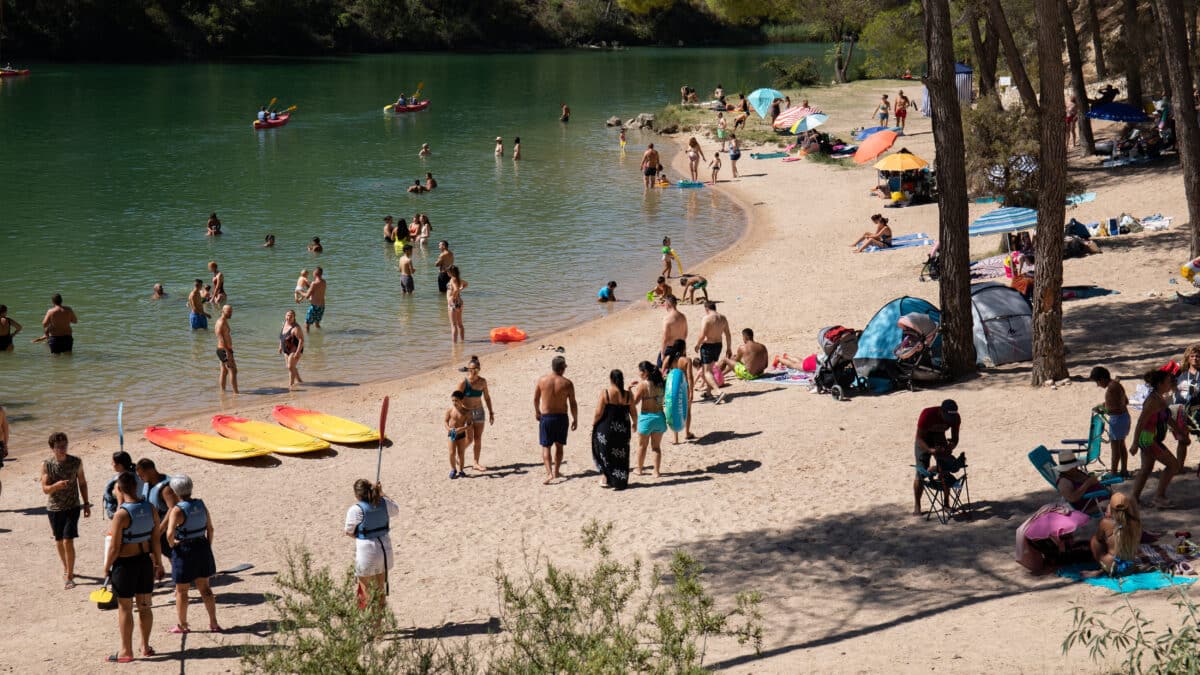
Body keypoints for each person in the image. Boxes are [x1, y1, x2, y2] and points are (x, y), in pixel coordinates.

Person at [102, 471, 162, 663]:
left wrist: (106, 566)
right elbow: (155, 539)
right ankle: (145, 646)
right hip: (145, 561)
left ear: (119, 489)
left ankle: (126, 651)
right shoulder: (150, 507)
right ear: (136, 487)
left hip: (125, 565)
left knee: (125, 608)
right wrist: (158, 562)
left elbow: (114, 546)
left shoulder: (121, 514)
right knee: (145, 606)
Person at [163, 475, 220, 634]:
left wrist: (173, 545)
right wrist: (207, 546)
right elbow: (210, 528)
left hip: (185, 550)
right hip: (201, 546)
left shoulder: (177, 510)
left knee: (182, 591)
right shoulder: (201, 504)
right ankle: (213, 622)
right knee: (205, 589)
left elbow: (169, 534)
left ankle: (182, 625)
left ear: (175, 492)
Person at [41, 431, 90, 589]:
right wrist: (56, 486)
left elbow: (82, 483)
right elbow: (45, 489)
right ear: (52, 448)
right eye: (58, 447)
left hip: (72, 506)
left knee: (68, 540)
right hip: (54, 508)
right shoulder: (47, 465)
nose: (62, 449)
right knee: (59, 540)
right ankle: (65, 567)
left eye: (64, 445)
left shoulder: (76, 462)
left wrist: (86, 503)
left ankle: (69, 574)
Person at [1130, 369, 1183, 508]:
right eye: (1168, 381)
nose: (1170, 383)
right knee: (1173, 465)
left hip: (1151, 438)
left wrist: (1179, 430)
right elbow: (1141, 422)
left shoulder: (1160, 398)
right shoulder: (1152, 401)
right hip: (1147, 439)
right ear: (1159, 384)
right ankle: (1159, 497)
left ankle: (1134, 499)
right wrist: (1135, 443)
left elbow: (1167, 418)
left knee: (1146, 468)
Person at [343, 480, 399, 609]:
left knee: (366, 592)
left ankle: (370, 626)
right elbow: (396, 510)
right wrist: (383, 494)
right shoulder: (384, 503)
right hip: (385, 550)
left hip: (367, 551)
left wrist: (361, 536)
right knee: (380, 591)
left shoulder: (356, 510)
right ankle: (378, 626)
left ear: (357, 495)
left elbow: (348, 531)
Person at [912, 400, 964, 516]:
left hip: (939, 437)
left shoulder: (955, 418)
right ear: (940, 411)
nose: (948, 420)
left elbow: (955, 438)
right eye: (947, 417)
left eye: (951, 417)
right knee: (920, 471)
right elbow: (919, 439)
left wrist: (950, 447)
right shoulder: (927, 414)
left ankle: (946, 504)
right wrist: (930, 450)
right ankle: (917, 507)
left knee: (944, 468)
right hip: (924, 440)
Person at [534, 356, 578, 484]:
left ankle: (549, 473)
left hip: (546, 417)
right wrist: (575, 418)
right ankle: (557, 471)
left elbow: (536, 399)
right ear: (562, 368)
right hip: (561, 417)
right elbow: (573, 403)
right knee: (559, 446)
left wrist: (537, 411)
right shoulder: (567, 383)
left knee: (546, 446)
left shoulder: (542, 381)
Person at [592, 369, 636, 489]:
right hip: (623, 428)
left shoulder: (606, 393)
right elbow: (633, 412)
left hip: (607, 428)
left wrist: (593, 424)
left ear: (611, 379)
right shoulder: (628, 394)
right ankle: (619, 480)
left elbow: (598, 412)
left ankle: (606, 477)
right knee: (621, 454)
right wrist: (635, 423)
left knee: (604, 452)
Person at [1088, 492, 1142, 577]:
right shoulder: (1136, 522)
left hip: (1111, 565)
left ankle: (1102, 570)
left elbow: (1099, 538)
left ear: (1111, 508)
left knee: (1095, 540)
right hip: (1130, 566)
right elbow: (1133, 502)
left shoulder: (1106, 523)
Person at [1089, 366, 1130, 478]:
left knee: (1115, 448)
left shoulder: (1111, 389)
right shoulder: (1116, 385)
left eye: (1097, 382)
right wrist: (1104, 405)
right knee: (1121, 446)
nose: (1098, 385)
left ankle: (1114, 472)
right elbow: (1125, 401)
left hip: (1117, 420)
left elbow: (1113, 409)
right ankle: (1124, 470)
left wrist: (1102, 409)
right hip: (1124, 418)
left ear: (1102, 378)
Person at [456, 356, 494, 472]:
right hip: (467, 413)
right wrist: (460, 414)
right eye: (471, 369)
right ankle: (459, 454)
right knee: (470, 438)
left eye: (475, 369)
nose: (473, 371)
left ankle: (476, 463)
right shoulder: (464, 382)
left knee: (478, 438)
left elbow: (487, 398)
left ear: (479, 369)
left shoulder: (483, 382)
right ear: (468, 369)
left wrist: (491, 412)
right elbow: (456, 399)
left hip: (479, 412)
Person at [631, 361, 668, 477]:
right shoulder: (661, 383)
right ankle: (656, 471)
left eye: (640, 371)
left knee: (642, 446)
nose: (639, 373)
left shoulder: (642, 385)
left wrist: (629, 390)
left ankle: (639, 469)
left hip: (646, 418)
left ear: (645, 372)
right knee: (656, 447)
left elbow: (634, 403)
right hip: (659, 417)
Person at [1055, 448, 1109, 516]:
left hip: (1100, 498)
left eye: (1075, 465)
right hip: (1090, 506)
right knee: (1117, 505)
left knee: (1121, 500)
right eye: (1072, 466)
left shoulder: (1074, 472)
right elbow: (1072, 498)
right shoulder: (1064, 481)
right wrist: (1087, 484)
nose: (1075, 467)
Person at [694, 302, 732, 399]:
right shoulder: (723, 318)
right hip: (718, 346)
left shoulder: (706, 318)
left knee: (707, 372)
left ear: (706, 309)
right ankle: (708, 392)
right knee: (710, 369)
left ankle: (719, 392)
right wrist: (729, 348)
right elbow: (728, 334)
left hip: (708, 346)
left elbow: (702, 335)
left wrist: (697, 345)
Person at [661, 339, 695, 444]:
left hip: (671, 387)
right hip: (684, 387)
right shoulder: (686, 360)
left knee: (673, 410)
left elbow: (662, 373)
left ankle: (675, 438)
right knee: (687, 410)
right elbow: (690, 377)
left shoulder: (668, 359)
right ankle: (687, 433)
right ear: (683, 348)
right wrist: (692, 392)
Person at [445, 391, 474, 478]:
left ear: (462, 400)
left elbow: (470, 425)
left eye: (456, 400)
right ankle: (453, 469)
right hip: (452, 434)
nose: (454, 403)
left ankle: (461, 470)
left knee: (461, 453)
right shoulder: (450, 410)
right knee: (451, 453)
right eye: (453, 400)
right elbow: (445, 421)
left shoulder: (467, 412)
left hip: (461, 434)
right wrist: (449, 429)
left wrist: (462, 429)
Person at [659, 294, 688, 368]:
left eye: (665, 303)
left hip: (670, 348)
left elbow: (665, 338)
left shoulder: (667, 319)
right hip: (681, 348)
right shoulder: (683, 316)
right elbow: (685, 334)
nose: (664, 305)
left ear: (668, 304)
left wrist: (662, 353)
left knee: (660, 366)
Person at [215, 304, 238, 393]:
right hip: (224, 350)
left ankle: (223, 391)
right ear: (222, 311)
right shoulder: (221, 323)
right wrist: (228, 352)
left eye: (231, 311)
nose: (231, 314)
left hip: (221, 349)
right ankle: (236, 392)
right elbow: (221, 338)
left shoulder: (222, 321)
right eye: (229, 312)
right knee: (233, 371)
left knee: (224, 371)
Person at [279, 309, 304, 387]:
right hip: (286, 349)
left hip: (295, 349)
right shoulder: (285, 324)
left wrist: (297, 352)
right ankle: (300, 381)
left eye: (291, 316)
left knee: (290, 367)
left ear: (294, 317)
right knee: (291, 366)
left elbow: (301, 340)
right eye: (287, 315)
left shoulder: (296, 328)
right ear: (285, 316)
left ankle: (291, 385)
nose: (288, 317)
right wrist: (280, 346)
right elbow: (282, 337)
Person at [446, 265, 467, 342]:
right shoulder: (458, 279)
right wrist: (461, 289)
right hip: (459, 302)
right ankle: (462, 341)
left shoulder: (452, 279)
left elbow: (455, 289)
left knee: (454, 325)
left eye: (447, 272)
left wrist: (452, 297)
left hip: (453, 303)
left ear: (450, 272)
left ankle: (454, 344)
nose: (447, 273)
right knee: (460, 324)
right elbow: (466, 284)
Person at [302, 267, 326, 332]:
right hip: (322, 306)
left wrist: (299, 291)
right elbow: (315, 291)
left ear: (315, 273)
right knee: (317, 324)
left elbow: (307, 296)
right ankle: (320, 335)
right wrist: (308, 286)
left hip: (314, 306)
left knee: (307, 324)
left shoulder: (314, 283)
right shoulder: (324, 282)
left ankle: (308, 338)